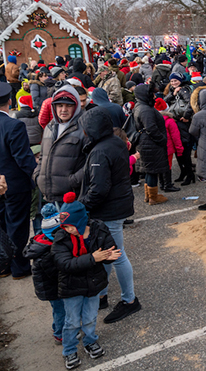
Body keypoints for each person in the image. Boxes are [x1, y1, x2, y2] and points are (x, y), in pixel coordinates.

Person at [78, 107, 141, 323]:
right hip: (118, 204)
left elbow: (99, 189)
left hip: (109, 210)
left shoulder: (100, 151)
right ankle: (102, 294)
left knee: (116, 254)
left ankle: (129, 301)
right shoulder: (115, 141)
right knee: (105, 251)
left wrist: (81, 206)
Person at [52, 192, 120, 369]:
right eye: (65, 227)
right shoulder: (61, 238)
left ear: (81, 221)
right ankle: (69, 350)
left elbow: (108, 249)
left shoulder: (98, 229)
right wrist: (94, 258)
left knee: (90, 317)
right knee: (72, 321)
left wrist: (109, 256)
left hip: (93, 284)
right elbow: (64, 263)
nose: (68, 230)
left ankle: (90, 341)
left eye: (70, 226)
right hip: (71, 287)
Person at [0, 83, 37, 279]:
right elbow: (23, 158)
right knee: (17, 227)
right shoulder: (14, 125)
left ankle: (3, 265)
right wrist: (36, 175)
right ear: (9, 101)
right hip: (15, 185)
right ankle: (19, 267)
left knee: (2, 225)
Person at [34, 85, 87, 207]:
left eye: (69, 105)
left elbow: (90, 160)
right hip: (48, 196)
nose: (64, 109)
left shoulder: (84, 128)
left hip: (71, 196)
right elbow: (43, 156)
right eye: (60, 105)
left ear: (76, 106)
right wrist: (38, 175)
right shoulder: (49, 127)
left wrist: (73, 180)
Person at [23, 204, 65, 344]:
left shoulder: (40, 244)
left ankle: (56, 328)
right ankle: (60, 334)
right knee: (61, 311)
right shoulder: (47, 253)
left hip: (48, 287)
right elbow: (55, 273)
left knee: (57, 310)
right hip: (52, 288)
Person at [133, 84, 169, 205]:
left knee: (149, 170)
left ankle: (149, 195)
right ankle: (153, 197)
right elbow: (151, 128)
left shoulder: (140, 106)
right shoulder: (146, 109)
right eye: (152, 94)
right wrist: (162, 139)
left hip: (146, 142)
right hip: (151, 143)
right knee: (152, 170)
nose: (154, 96)